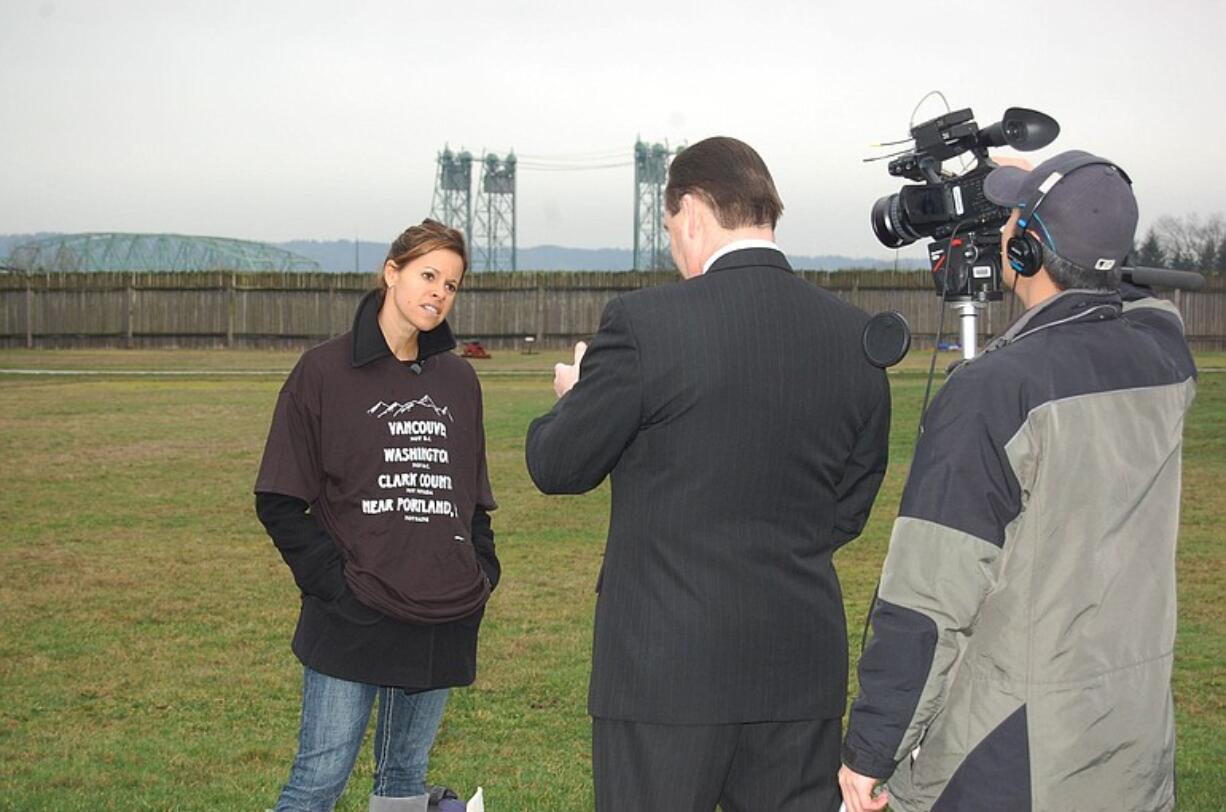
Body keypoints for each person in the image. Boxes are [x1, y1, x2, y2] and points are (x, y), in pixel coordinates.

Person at [525, 136, 891, 811]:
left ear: (691, 213)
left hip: (665, 673)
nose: (673, 248)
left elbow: (557, 463)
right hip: (796, 669)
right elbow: (849, 507)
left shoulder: (644, 324)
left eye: (670, 231)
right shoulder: (854, 337)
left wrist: (580, 396)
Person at [839, 151, 1197, 812]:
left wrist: (870, 753)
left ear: (1026, 248)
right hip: (1133, 743)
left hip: (1016, 760)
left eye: (1014, 221)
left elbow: (928, 600)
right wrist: (1086, 216)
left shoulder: (993, 393)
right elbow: (1147, 304)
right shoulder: (1166, 358)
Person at [255, 219, 500, 812]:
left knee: (403, 786)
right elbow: (279, 499)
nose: (439, 292)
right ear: (391, 274)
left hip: (441, 612)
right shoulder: (323, 371)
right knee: (317, 782)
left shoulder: (459, 380)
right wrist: (334, 586)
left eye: (452, 283)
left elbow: (471, 499)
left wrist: (480, 570)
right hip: (354, 615)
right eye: (427, 275)